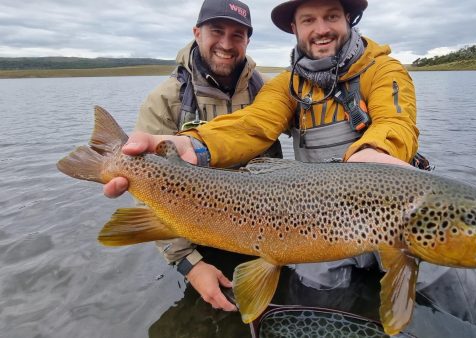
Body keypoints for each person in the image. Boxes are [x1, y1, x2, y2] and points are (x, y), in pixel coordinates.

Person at [106, 0, 418, 310]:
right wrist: (197, 145)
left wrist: (374, 152)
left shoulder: (383, 69)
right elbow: (252, 126)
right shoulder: (286, 86)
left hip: (397, 215)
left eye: (331, 17)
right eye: (309, 20)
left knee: (453, 293)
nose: (321, 29)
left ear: (348, 19)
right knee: (315, 304)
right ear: (295, 29)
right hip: (314, 226)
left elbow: (396, 121)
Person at [131, 0, 281, 313]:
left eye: (237, 35)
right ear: (197, 33)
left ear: (248, 41)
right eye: (217, 31)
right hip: (197, 238)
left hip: (273, 233)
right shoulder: (165, 100)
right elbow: (146, 191)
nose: (226, 44)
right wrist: (190, 265)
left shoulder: (267, 91)